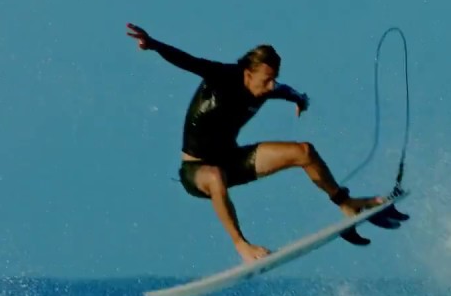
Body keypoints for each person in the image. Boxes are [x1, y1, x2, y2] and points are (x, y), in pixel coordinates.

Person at [126, 23, 404, 263]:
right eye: (267, 79)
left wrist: (300, 100)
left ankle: (346, 203)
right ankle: (241, 245)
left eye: (274, 79)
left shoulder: (267, 89)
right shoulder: (223, 76)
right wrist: (152, 44)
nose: (271, 86)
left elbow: (286, 91)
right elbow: (187, 60)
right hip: (196, 170)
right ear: (248, 72)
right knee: (214, 175)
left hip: (232, 160)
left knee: (304, 151)